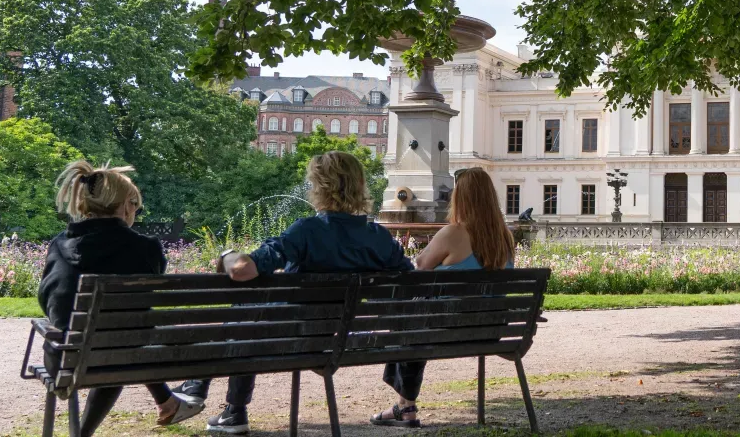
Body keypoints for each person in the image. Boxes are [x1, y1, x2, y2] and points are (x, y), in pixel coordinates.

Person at [173, 152, 413, 434]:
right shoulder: (378, 237)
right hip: (337, 341)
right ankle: (226, 408)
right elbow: (408, 281)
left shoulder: (306, 231)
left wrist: (227, 255)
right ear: (360, 185)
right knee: (247, 318)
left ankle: (212, 395)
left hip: (287, 339)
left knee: (244, 318)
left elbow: (242, 270)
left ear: (319, 187)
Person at [38, 161, 203, 435]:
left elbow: (47, 300)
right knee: (118, 337)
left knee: (105, 336)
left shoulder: (59, 244)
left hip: (65, 361)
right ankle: (85, 433)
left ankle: (165, 403)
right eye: (135, 207)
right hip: (120, 355)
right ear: (126, 205)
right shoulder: (146, 248)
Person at [373, 167, 517, 428]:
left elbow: (421, 265)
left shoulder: (453, 233)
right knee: (413, 321)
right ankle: (404, 406)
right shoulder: (505, 238)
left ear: (460, 198)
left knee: (406, 320)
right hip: (489, 329)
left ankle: (405, 407)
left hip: (447, 328)